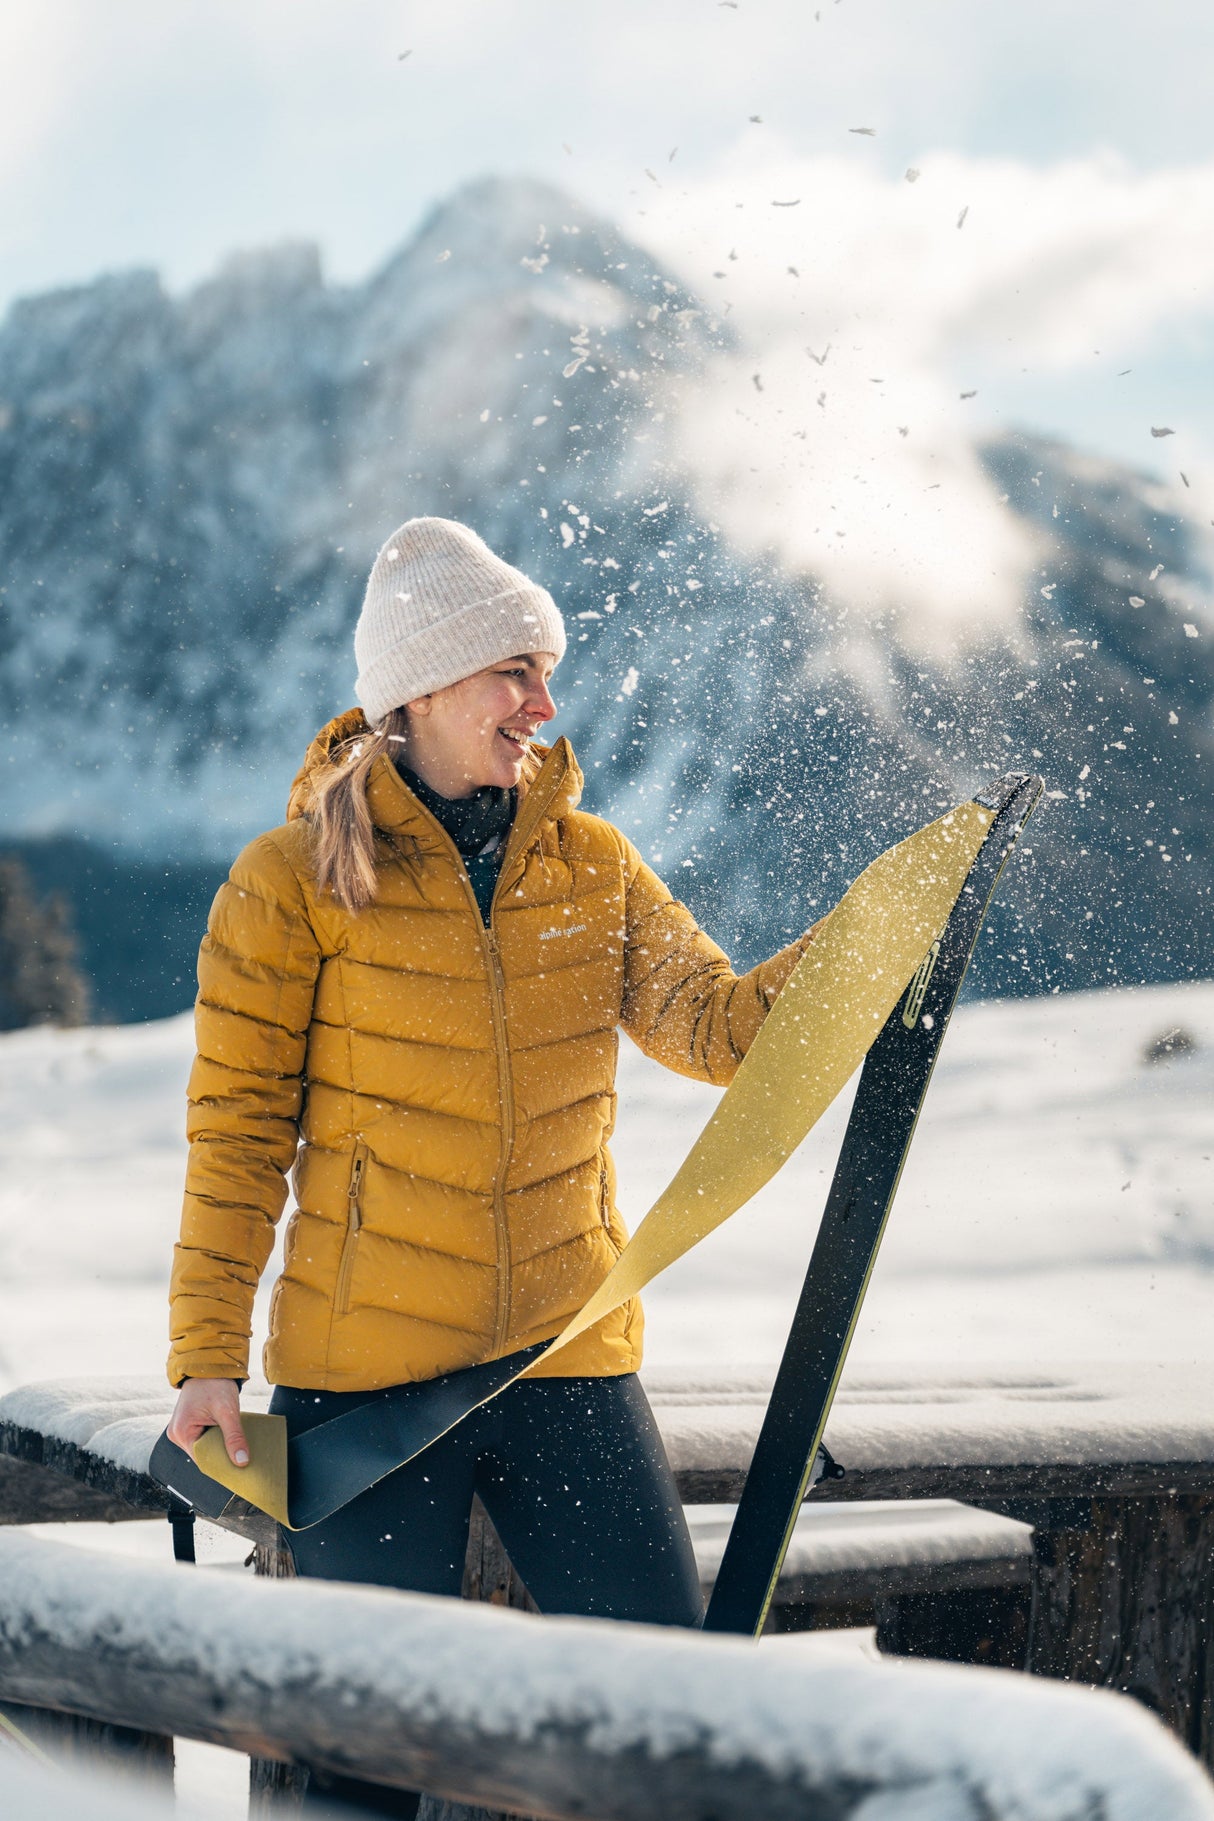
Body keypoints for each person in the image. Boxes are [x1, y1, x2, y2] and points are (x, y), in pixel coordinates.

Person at [166, 516, 817, 1815]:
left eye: (545, 671)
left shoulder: (594, 866)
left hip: (561, 1362)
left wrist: (869, 935)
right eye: (512, 671)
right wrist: (205, 1356)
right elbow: (237, 1134)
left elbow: (720, 1030)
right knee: (362, 1763)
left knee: (661, 1719)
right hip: (368, 1386)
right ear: (420, 689)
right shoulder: (293, 882)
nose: (542, 704)